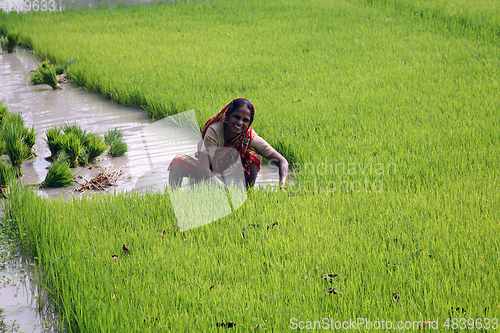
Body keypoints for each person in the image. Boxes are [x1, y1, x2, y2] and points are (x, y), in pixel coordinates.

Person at [168, 98, 288, 189]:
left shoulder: (249, 136)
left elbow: (282, 161)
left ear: (249, 123)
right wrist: (226, 191)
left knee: (251, 155)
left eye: (245, 120)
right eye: (236, 117)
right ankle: (174, 197)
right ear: (227, 116)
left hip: (229, 175)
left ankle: (247, 193)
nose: (240, 123)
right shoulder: (214, 131)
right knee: (178, 161)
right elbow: (203, 169)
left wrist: (282, 185)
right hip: (207, 174)